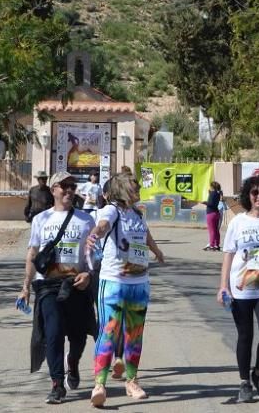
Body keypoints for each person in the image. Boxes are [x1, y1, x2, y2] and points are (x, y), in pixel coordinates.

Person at [85, 172, 164, 407]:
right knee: (108, 332)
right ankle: (99, 384)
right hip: (114, 282)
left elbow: (145, 235)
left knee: (135, 335)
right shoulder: (112, 210)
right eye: (134, 186)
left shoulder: (137, 213)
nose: (138, 189)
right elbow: (102, 225)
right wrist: (94, 234)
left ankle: (132, 381)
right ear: (121, 189)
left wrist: (157, 251)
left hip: (139, 283)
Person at [20, 171, 96, 405]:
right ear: (53, 189)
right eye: (64, 186)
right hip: (49, 286)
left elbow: (94, 254)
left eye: (72, 186)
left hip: (77, 285)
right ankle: (56, 384)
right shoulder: (41, 219)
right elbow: (32, 253)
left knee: (79, 337)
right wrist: (26, 287)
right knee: (53, 334)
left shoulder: (86, 220)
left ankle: (72, 362)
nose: (69, 190)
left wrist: (89, 274)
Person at [218, 174, 259, 403]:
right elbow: (228, 255)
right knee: (245, 335)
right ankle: (244, 382)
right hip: (241, 287)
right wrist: (223, 286)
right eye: (255, 192)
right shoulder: (238, 222)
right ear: (248, 195)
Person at [204, 181, 224, 251]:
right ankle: (217, 245)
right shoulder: (218, 194)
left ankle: (211, 245)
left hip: (211, 213)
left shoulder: (212, 194)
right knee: (216, 230)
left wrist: (204, 202)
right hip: (216, 213)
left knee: (211, 230)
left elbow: (211, 204)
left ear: (212, 187)